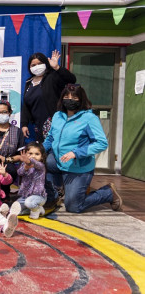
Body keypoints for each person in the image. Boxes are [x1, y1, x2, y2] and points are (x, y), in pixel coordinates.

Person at [44, 84, 123, 213]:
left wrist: (76, 152)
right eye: (66, 96)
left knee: (73, 206)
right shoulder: (58, 115)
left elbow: (101, 143)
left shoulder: (89, 118)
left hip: (78, 167)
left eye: (74, 97)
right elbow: (51, 138)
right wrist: (39, 151)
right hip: (58, 161)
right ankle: (55, 194)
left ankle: (108, 193)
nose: (69, 99)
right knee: (44, 162)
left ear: (81, 99)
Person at [21, 50, 76, 142]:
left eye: (39, 63)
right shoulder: (29, 82)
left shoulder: (52, 77)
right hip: (38, 126)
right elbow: (26, 105)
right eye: (33, 65)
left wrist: (57, 67)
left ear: (45, 64)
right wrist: (24, 124)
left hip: (55, 124)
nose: (37, 67)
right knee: (43, 152)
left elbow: (71, 80)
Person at [16, 143, 48, 219]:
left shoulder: (41, 166)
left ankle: (37, 209)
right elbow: (19, 172)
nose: (33, 156)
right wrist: (26, 167)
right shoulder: (25, 164)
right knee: (16, 209)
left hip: (38, 196)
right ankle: (30, 209)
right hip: (25, 196)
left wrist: (29, 161)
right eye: (30, 153)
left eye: (37, 154)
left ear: (42, 157)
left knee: (29, 203)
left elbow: (35, 163)